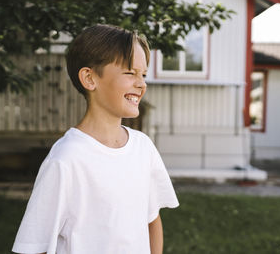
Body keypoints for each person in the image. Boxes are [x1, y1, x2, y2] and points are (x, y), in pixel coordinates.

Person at [12, 24, 179, 254]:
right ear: (89, 78)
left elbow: (152, 221)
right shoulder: (66, 160)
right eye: (130, 73)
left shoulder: (143, 148)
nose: (141, 84)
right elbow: (33, 246)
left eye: (143, 74)